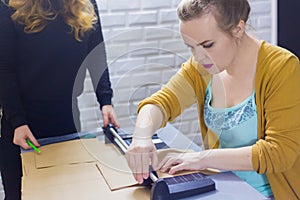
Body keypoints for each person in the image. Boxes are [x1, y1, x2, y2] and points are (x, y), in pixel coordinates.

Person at [125, 0, 300, 199]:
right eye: (190, 47)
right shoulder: (201, 68)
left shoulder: (282, 68)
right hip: (223, 189)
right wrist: (141, 136)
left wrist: (202, 159)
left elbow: (279, 153)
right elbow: (161, 103)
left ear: (237, 29)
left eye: (207, 45)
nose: (198, 56)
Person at [0, 0, 119, 199]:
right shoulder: (9, 5)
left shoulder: (86, 4)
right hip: (23, 127)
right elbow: (4, 69)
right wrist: (18, 121)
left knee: (65, 192)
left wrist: (105, 100)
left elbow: (96, 54)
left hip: (66, 119)